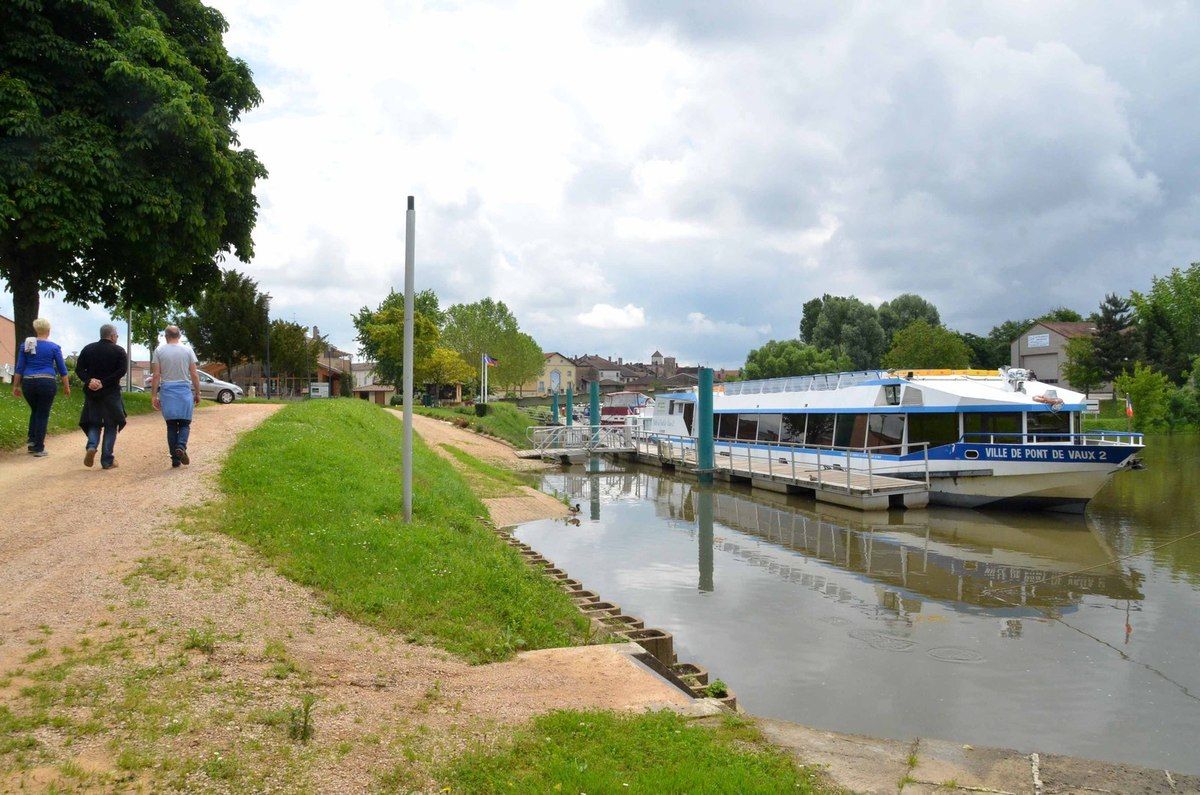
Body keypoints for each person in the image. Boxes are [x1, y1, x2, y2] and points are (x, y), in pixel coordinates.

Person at [11, 317, 71, 457]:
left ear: (36, 330)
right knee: (43, 413)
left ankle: (32, 441)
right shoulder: (54, 347)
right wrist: (66, 387)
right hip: (46, 382)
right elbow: (63, 370)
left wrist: (16, 386)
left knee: (35, 410)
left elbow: (19, 367)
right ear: (48, 331)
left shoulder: (25, 345)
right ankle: (39, 447)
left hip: (28, 382)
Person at [75, 323, 128, 470]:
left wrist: (89, 380)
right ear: (112, 336)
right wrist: (104, 383)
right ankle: (107, 460)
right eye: (116, 335)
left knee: (94, 423)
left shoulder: (88, 349)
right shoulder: (119, 351)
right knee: (111, 425)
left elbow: (79, 369)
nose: (117, 338)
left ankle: (91, 446)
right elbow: (121, 371)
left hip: (92, 394)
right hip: (111, 393)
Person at [150, 325, 201, 468]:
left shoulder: (159, 350)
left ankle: (175, 459)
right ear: (179, 336)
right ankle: (181, 446)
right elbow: (194, 374)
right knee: (185, 424)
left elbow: (156, 375)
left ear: (166, 336)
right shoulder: (188, 350)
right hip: (184, 390)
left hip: (167, 391)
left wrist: (154, 395)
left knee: (171, 426)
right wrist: (198, 393)